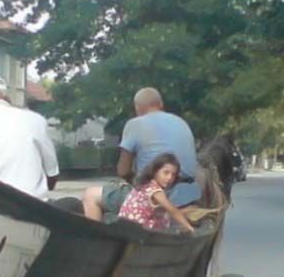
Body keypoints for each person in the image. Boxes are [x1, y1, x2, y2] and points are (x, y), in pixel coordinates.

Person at [83, 87, 200, 221]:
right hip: (189, 194)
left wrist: (137, 181)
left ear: (137, 108)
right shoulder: (181, 122)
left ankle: (97, 240)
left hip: (157, 195)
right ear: (161, 104)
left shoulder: (134, 124)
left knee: (90, 195)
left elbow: (122, 171)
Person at [119, 152, 194, 233]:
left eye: (173, 175)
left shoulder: (145, 183)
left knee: (164, 215)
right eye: (166, 173)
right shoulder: (155, 191)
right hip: (139, 229)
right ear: (155, 171)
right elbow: (172, 210)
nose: (169, 178)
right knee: (167, 219)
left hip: (123, 224)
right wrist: (190, 227)